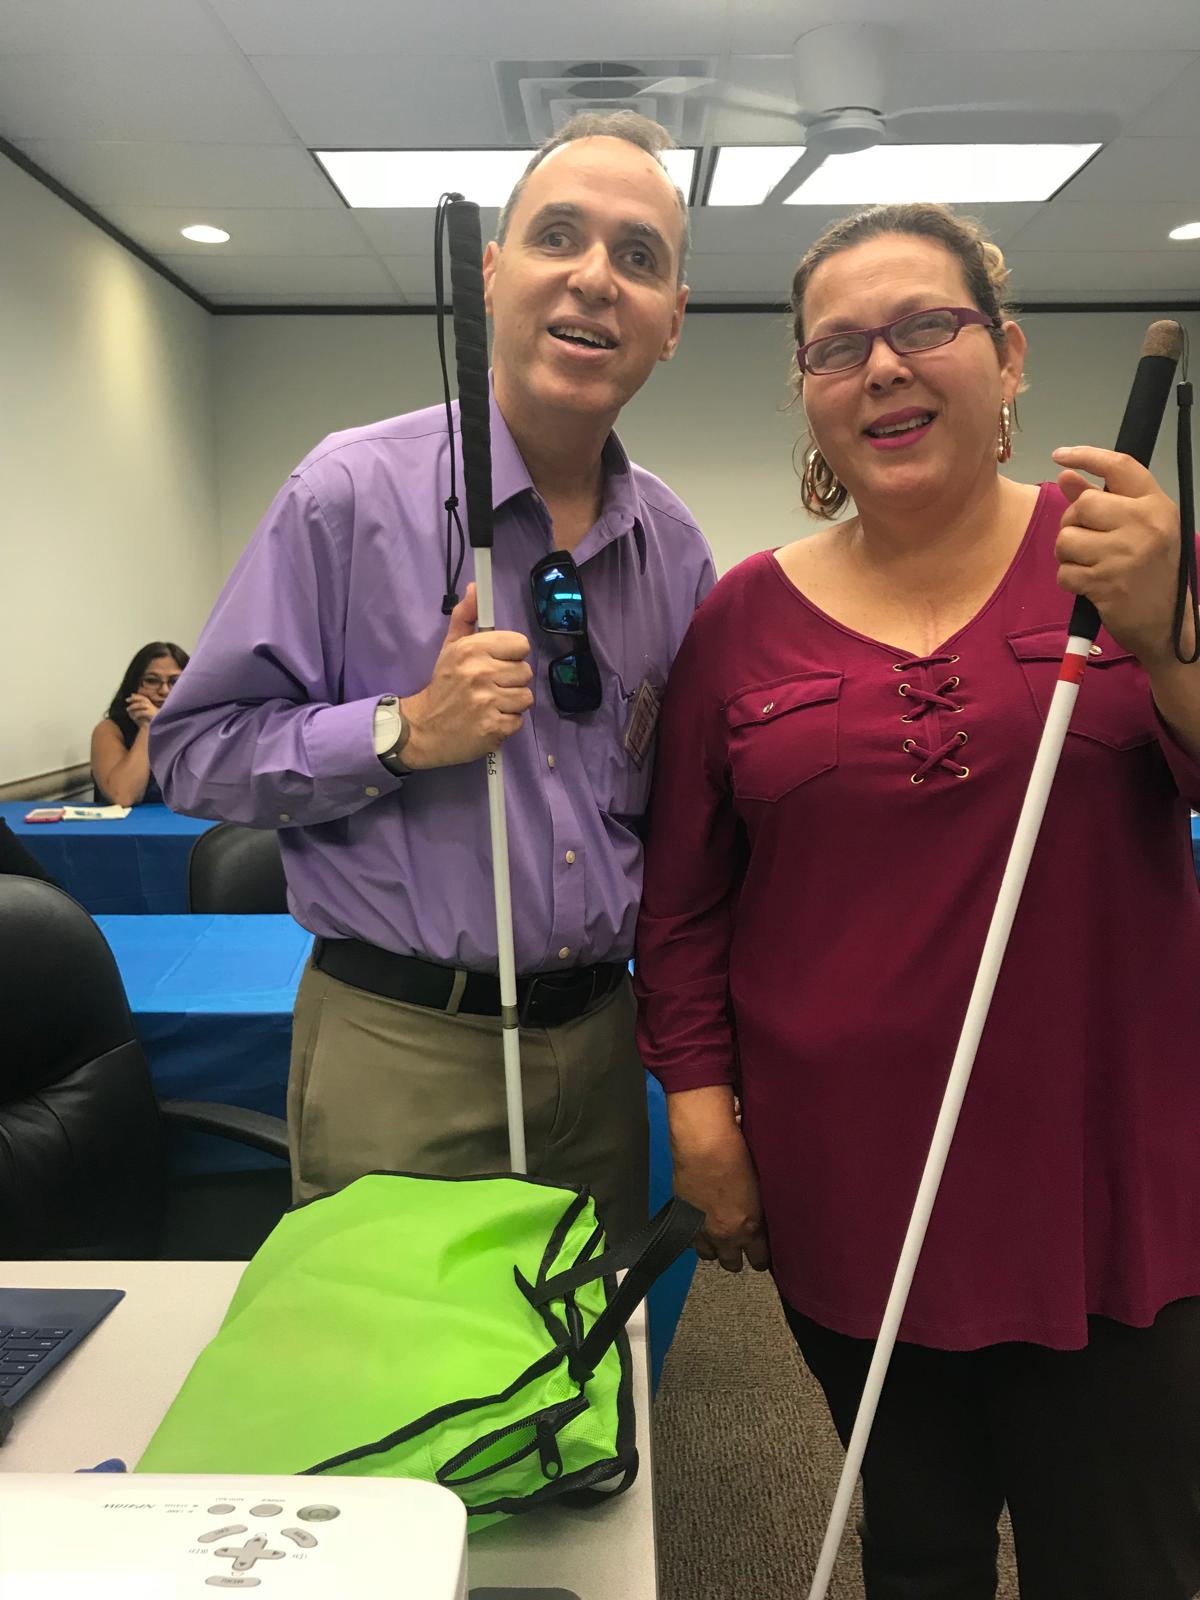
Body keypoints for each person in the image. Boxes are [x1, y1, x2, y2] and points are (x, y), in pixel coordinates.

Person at [634, 202, 1200, 1599]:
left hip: (1106, 1187)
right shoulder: (740, 620)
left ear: (1005, 359)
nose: (882, 365)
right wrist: (701, 1118)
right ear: (811, 399)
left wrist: (1164, 632)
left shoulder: (1125, 558)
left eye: (925, 327)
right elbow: (685, 904)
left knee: (1119, 1558)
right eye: (838, 347)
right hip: (857, 1191)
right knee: (925, 1545)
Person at [150, 112, 714, 1241]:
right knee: (399, 1391)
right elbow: (191, 752)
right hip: (401, 1047)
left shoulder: (676, 549)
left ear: (672, 324)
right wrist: (405, 730)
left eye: (639, 256)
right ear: (494, 275)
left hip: (600, 1046)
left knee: (577, 1375)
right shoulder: (348, 493)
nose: (597, 278)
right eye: (560, 236)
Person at [91, 641, 189, 807]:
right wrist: (149, 727)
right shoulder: (109, 730)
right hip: (128, 830)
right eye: (151, 681)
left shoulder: (198, 728)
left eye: (175, 681)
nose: (164, 690)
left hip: (191, 828)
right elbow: (123, 797)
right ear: (134, 686)